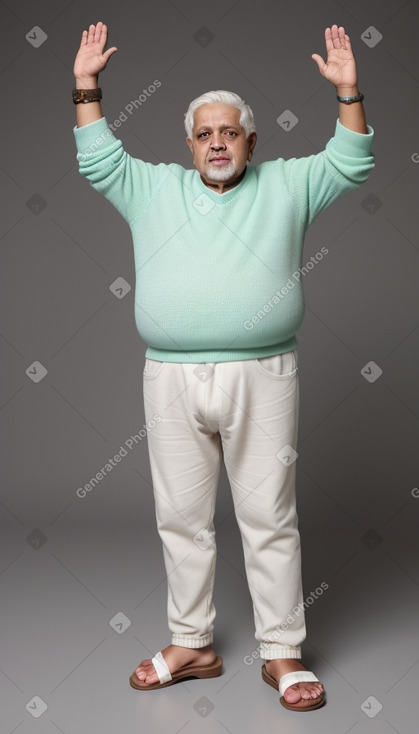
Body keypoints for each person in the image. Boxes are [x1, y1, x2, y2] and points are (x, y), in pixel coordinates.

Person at [72, 21, 374, 712]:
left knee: (268, 514)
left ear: (250, 142)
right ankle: (191, 642)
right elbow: (97, 160)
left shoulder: (287, 184)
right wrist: (86, 84)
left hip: (262, 374)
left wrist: (348, 92)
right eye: (204, 133)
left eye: (229, 132)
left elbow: (352, 160)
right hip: (169, 376)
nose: (216, 142)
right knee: (180, 515)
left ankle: (282, 651)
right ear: (188, 145)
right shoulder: (152, 189)